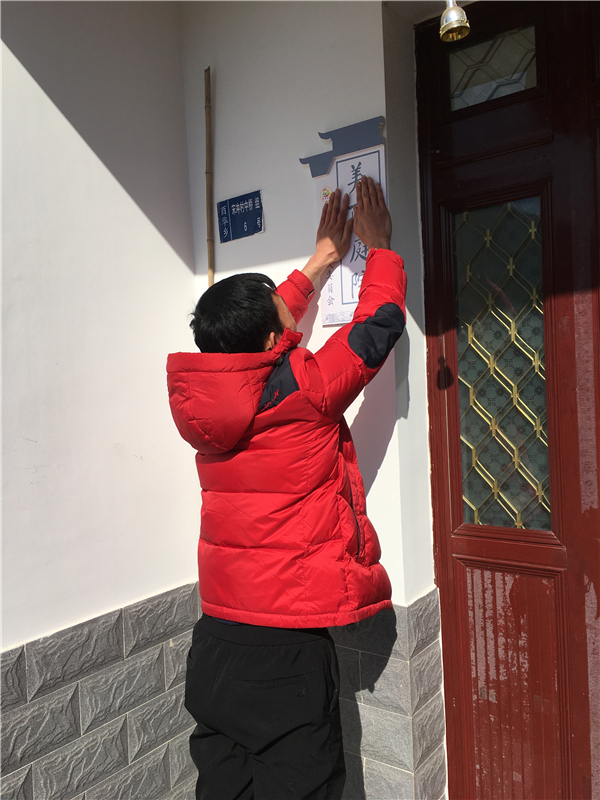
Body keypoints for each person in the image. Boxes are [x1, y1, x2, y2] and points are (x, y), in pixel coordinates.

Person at [167, 176, 407, 800]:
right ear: (276, 341)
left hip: (215, 642)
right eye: (282, 316)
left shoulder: (205, 403)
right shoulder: (304, 389)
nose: (288, 311)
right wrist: (380, 248)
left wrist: (323, 260)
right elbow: (377, 326)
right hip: (283, 651)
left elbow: (258, 334)